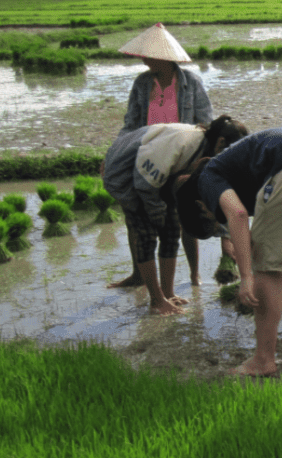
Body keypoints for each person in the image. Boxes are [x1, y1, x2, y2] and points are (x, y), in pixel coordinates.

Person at [173, 127, 282, 376]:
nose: (215, 219)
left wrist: (247, 278)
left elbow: (238, 214)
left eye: (211, 218)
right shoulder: (233, 166)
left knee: (267, 271)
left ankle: (263, 360)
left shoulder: (207, 178)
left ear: (200, 205)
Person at [102, 116, 249, 315]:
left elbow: (217, 193)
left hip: (158, 179)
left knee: (171, 231)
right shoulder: (183, 142)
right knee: (147, 234)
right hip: (126, 173)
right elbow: (143, 182)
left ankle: (168, 293)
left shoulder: (212, 153)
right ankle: (156, 301)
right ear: (221, 142)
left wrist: (226, 237)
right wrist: (156, 214)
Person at [111, 22, 216, 288]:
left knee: (183, 216)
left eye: (148, 53)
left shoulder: (190, 82)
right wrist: (115, 153)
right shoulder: (142, 84)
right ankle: (138, 275)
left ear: (162, 56)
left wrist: (197, 162)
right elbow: (131, 123)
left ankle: (194, 275)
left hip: (179, 157)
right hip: (146, 155)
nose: (143, 58)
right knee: (136, 219)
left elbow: (204, 122)